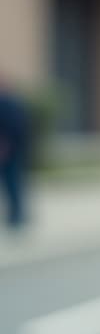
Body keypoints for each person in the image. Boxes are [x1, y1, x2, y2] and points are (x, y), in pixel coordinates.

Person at [0, 79, 32, 234]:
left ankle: (17, 215)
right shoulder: (15, 102)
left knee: (12, 184)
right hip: (14, 149)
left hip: (9, 150)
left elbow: (14, 127)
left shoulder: (8, 103)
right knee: (13, 183)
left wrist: (7, 145)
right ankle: (16, 215)